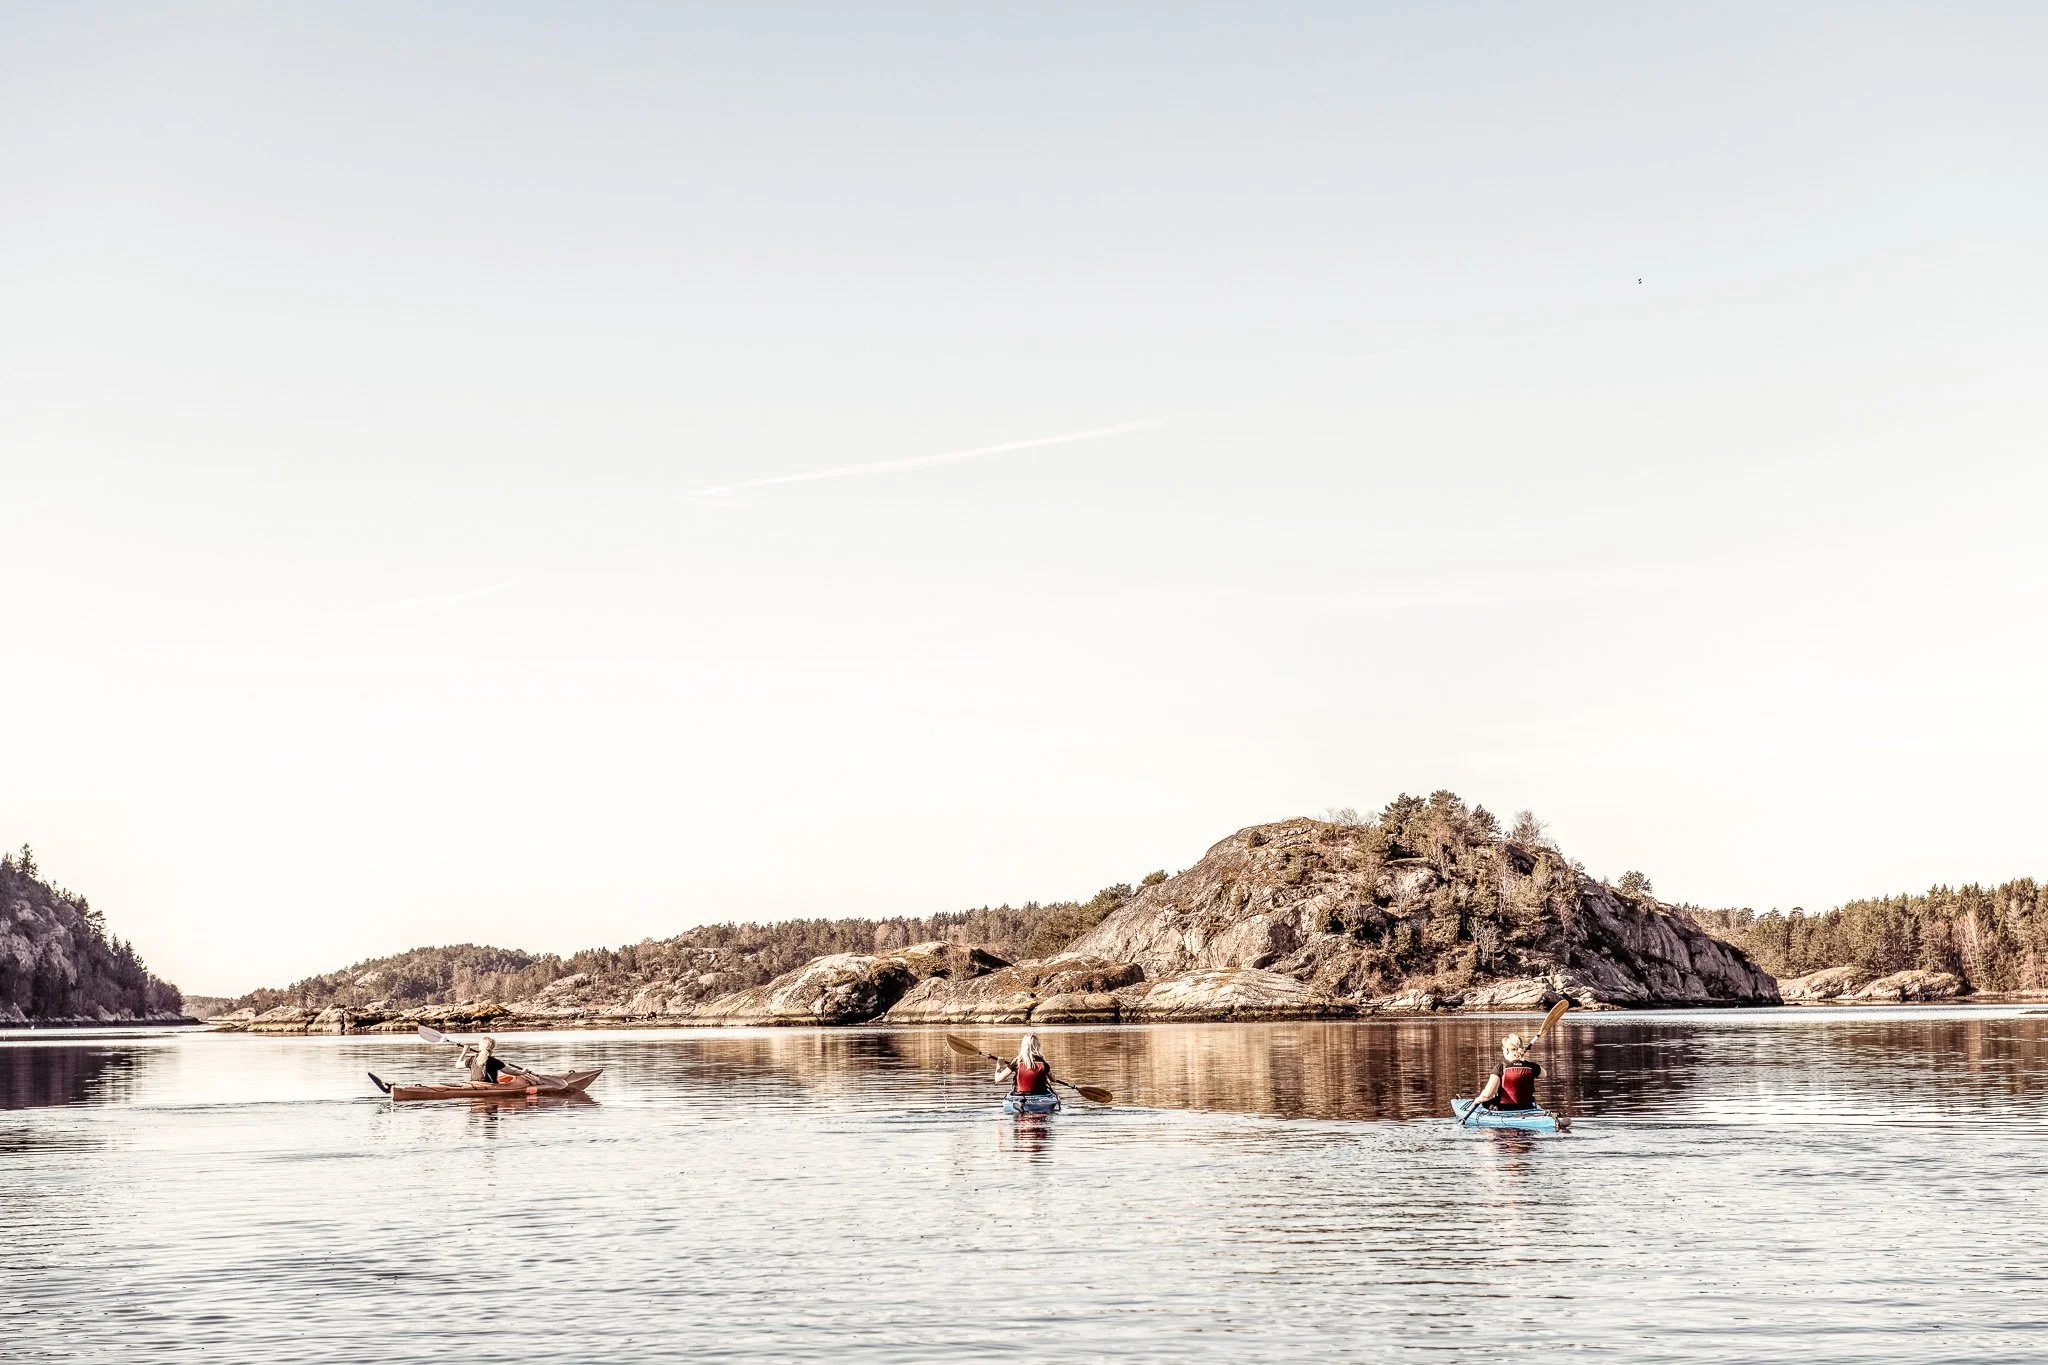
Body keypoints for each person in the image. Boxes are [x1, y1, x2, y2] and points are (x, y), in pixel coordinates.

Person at [1473, 1032, 1541, 1111]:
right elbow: (1544, 1074)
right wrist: (1523, 1061)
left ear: (1507, 1050)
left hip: (1505, 1109)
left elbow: (1487, 1095)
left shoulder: (1500, 1068)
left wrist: (1478, 1100)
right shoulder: (1532, 1066)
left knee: (1486, 1102)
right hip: (1528, 1107)